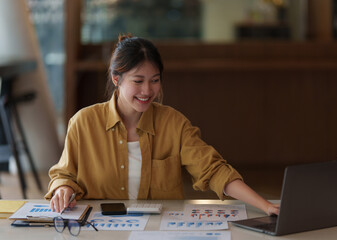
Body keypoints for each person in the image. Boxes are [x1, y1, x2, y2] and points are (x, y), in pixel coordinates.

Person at [45, 34, 279, 216]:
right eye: (138, 81)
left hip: (159, 230)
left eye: (155, 81)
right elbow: (64, 174)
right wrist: (63, 188)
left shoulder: (174, 123)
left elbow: (214, 170)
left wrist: (266, 205)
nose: (148, 91)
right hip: (100, 231)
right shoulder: (83, 123)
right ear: (116, 79)